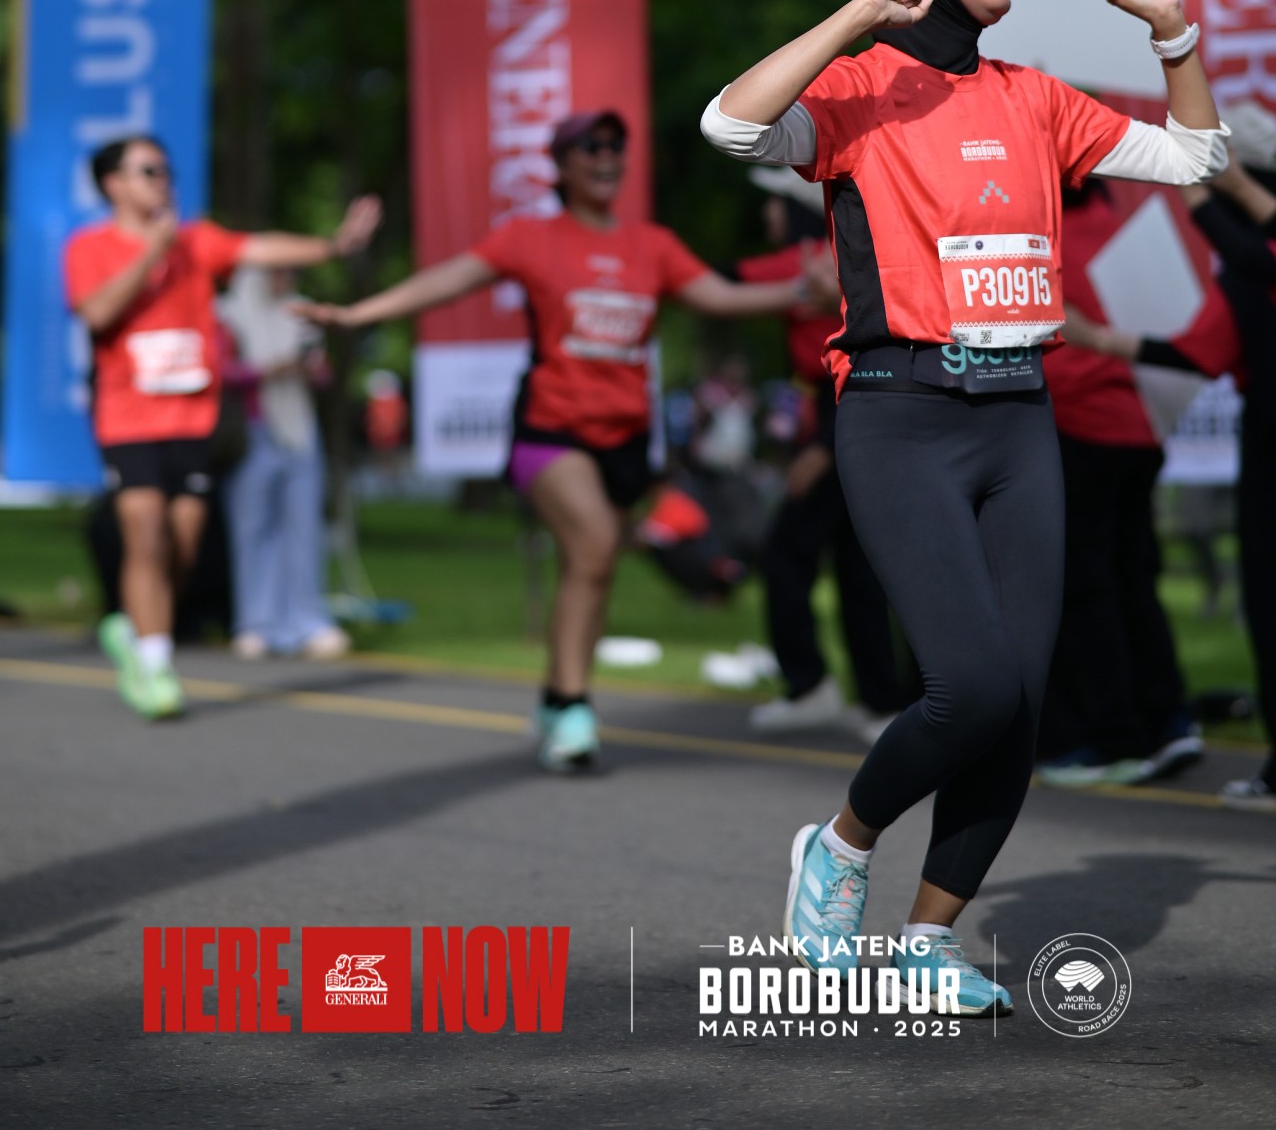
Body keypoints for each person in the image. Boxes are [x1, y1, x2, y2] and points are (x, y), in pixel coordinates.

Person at [701, 0, 1226, 1016]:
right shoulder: (855, 87)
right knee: (972, 684)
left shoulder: (1033, 96)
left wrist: (1170, 32)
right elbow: (730, 125)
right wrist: (855, 15)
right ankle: (838, 846)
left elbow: (1194, 159)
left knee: (1017, 704)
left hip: (1019, 419)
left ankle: (927, 940)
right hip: (900, 415)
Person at [294, 108, 804, 773]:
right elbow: (446, 279)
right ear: (560, 164)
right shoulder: (530, 237)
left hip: (626, 438)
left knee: (591, 568)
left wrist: (807, 289)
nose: (606, 156)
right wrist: (354, 313)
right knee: (595, 542)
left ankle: (558, 698)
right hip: (550, 429)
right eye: (589, 147)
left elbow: (718, 296)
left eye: (615, 145)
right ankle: (571, 704)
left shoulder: (651, 245)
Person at [63, 133, 380, 720]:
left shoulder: (197, 242)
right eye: (149, 171)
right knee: (145, 535)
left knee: (182, 545)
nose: (163, 181)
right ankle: (156, 665)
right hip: (128, 419)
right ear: (114, 184)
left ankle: (133, 628)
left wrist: (333, 246)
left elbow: (261, 247)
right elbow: (98, 313)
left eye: (166, 170)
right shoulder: (90, 247)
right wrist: (152, 251)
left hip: (192, 418)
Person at [1066, 135, 1276, 812]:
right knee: (1175, 585)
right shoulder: (1238, 270)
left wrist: (1205, 183)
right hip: (1205, 438)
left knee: (1102, 584)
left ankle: (1128, 732)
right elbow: (1196, 350)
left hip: (1110, 432)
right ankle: (1191, 729)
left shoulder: (1249, 259)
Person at [1034, 178, 1205, 788]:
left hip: (1081, 425)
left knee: (1086, 588)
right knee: (1134, 579)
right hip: (1140, 425)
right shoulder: (1117, 223)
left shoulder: (1043, 238)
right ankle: (1167, 718)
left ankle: (1113, 737)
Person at [738, 167, 910, 739]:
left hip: (845, 421)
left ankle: (813, 686)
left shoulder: (809, 257)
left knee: (786, 554)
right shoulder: (847, 254)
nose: (766, 213)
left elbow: (715, 281)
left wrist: (822, 445)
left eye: (774, 202)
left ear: (799, 209)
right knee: (858, 566)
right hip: (855, 421)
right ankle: (881, 701)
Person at [217, 265, 350, 662]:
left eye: (291, 272)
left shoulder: (300, 312)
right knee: (253, 530)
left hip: (300, 430)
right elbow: (220, 370)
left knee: (303, 528)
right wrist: (270, 369)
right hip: (252, 433)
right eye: (277, 271)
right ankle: (257, 623)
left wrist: (314, 369)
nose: (285, 278)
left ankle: (307, 621)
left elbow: (324, 377)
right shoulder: (227, 313)